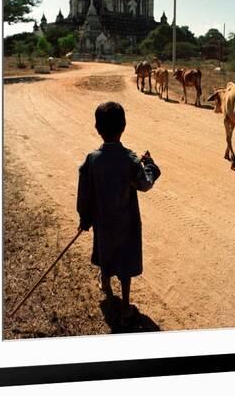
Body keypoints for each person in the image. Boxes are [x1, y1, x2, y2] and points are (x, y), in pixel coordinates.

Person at [76, 101, 161, 325]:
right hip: (127, 224)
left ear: (97, 128)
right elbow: (144, 184)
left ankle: (105, 284)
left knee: (106, 252)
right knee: (124, 261)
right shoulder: (130, 159)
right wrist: (150, 166)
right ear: (123, 127)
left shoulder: (91, 160)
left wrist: (85, 218)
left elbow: (84, 194)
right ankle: (125, 305)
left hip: (103, 224)